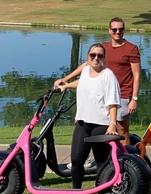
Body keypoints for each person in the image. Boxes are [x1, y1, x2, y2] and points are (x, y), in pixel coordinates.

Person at [56, 17, 141, 146]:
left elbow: (136, 75)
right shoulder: (104, 47)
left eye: (121, 29)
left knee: (122, 130)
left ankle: (127, 161)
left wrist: (134, 99)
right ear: (109, 30)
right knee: (98, 128)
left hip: (123, 95)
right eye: (115, 29)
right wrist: (66, 79)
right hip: (102, 95)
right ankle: (98, 158)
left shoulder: (131, 49)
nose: (118, 32)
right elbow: (87, 64)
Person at [56, 43, 120, 194]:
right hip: (83, 122)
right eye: (93, 55)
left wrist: (112, 123)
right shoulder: (85, 71)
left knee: (101, 160)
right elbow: (82, 84)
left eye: (99, 56)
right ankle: (76, 192)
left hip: (101, 123)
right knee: (77, 159)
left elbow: (112, 102)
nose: (96, 58)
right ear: (88, 57)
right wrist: (66, 86)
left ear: (104, 58)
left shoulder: (108, 75)